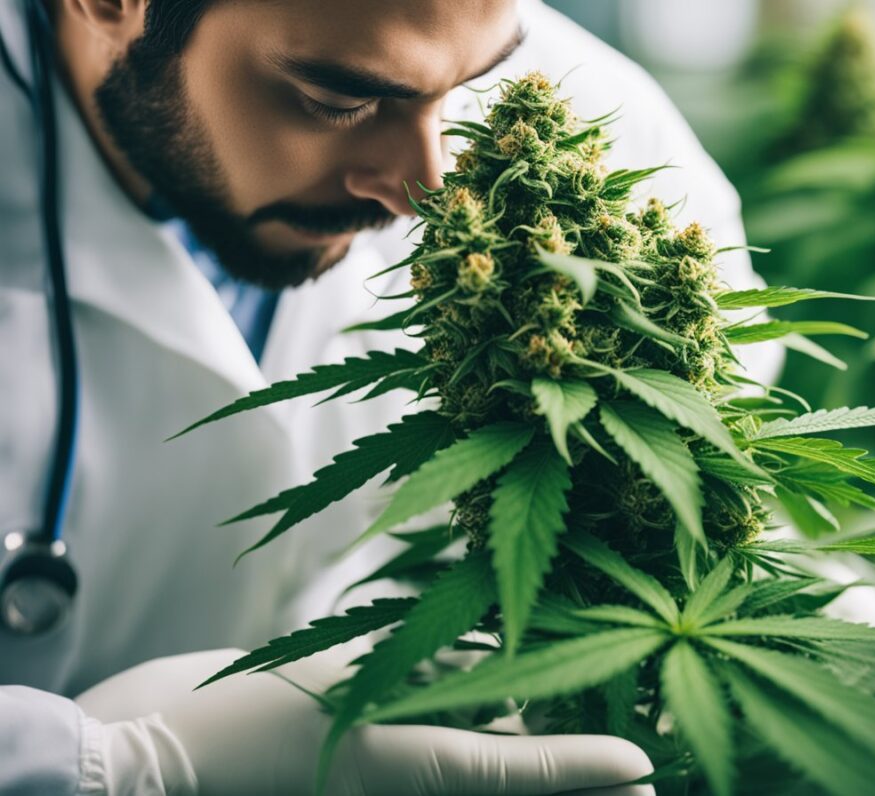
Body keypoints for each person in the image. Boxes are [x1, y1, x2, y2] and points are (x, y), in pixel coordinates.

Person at [0, 0, 781, 793]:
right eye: (339, 103)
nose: (428, 189)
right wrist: (106, 765)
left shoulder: (591, 127)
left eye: (474, 82)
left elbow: (691, 473)